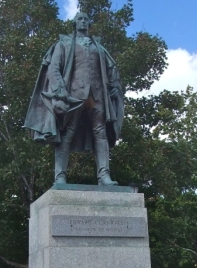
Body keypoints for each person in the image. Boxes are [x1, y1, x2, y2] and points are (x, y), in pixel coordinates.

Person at [24, 12, 124, 185]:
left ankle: (104, 176)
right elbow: (53, 69)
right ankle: (60, 177)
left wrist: (115, 85)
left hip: (97, 96)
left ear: (89, 23)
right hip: (73, 96)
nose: (83, 21)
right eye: (80, 19)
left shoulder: (99, 47)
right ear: (75, 23)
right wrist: (60, 90)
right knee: (67, 133)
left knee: (100, 134)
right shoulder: (64, 43)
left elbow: (112, 69)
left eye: (86, 19)